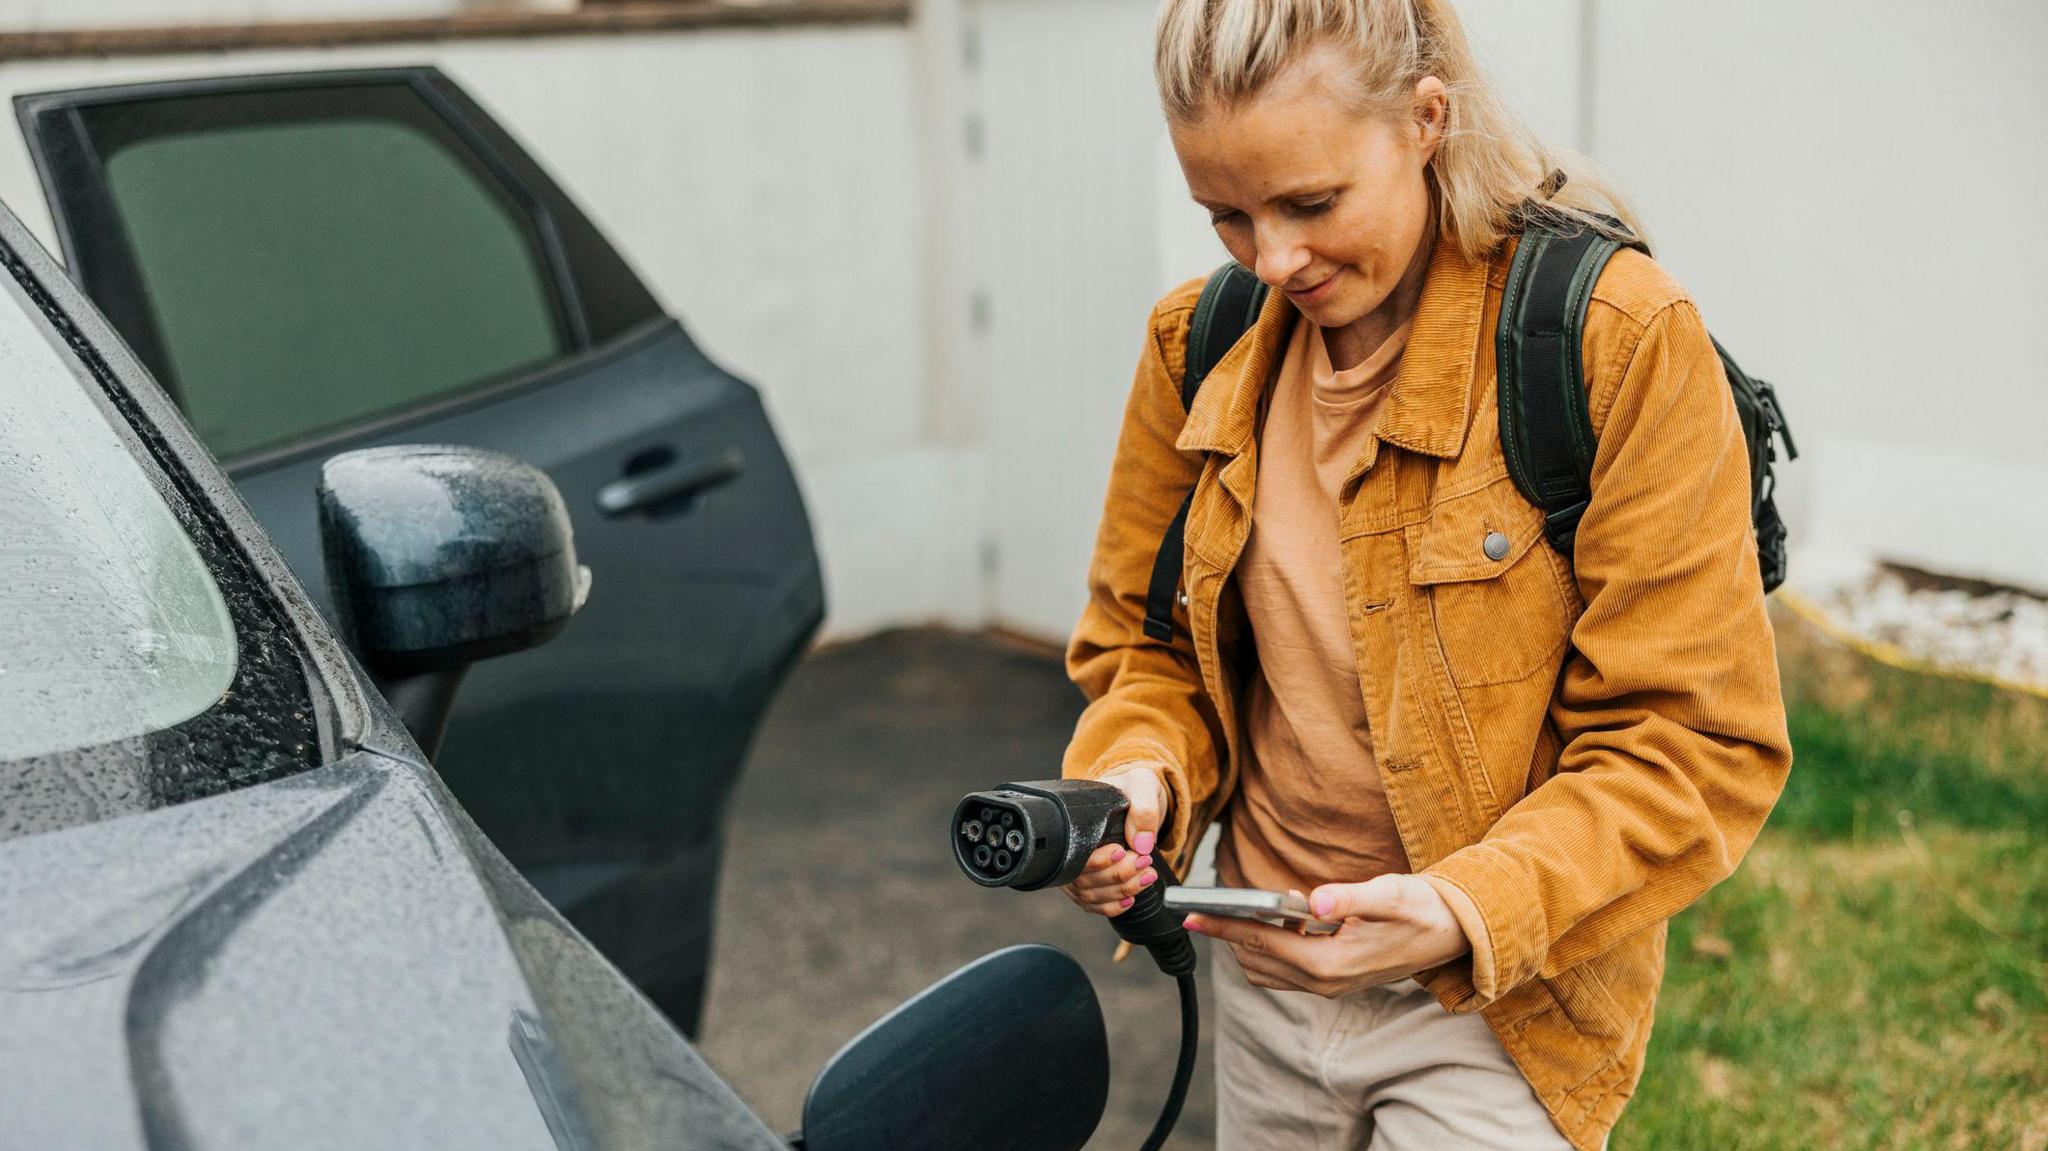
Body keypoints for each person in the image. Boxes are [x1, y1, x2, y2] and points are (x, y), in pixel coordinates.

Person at [1056, 1, 1794, 1148]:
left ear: (1424, 118)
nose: (1275, 258)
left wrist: (1458, 908)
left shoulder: (1614, 340)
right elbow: (1143, 654)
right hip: (1263, 980)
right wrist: (1135, 779)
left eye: (1309, 202)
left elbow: (1688, 741)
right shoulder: (1192, 348)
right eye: (1228, 216)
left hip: (1497, 1007)